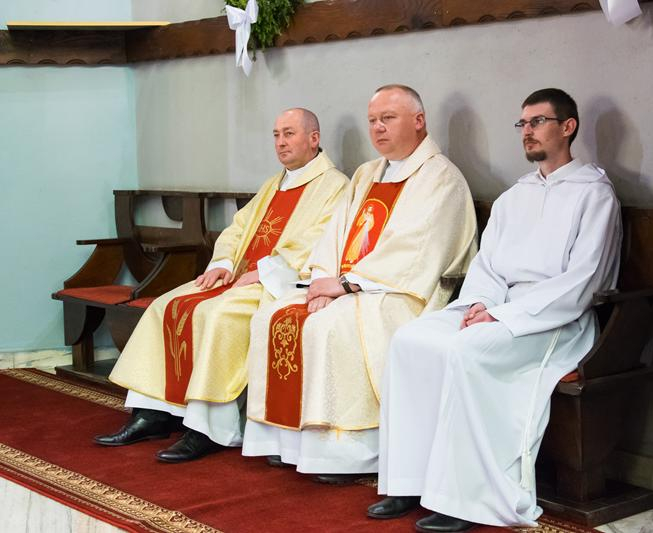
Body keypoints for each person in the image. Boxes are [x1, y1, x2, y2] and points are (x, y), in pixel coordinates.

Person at [369, 88, 622, 532]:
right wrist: (482, 302)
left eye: (538, 122)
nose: (527, 132)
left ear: (568, 127)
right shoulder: (514, 196)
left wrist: (503, 316)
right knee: (410, 340)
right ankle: (409, 480)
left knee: (467, 350)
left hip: (554, 320)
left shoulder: (594, 194)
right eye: (523, 123)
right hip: (497, 306)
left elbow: (584, 280)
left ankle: (464, 497)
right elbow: (487, 264)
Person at [242, 85, 477, 481]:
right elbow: (334, 233)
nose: (378, 128)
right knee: (273, 314)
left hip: (403, 293)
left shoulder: (441, 178)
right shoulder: (367, 174)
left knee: (330, 327)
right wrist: (322, 279)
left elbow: (418, 249)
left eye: (388, 118)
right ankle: (290, 442)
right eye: (372, 121)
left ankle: (346, 452)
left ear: (419, 121)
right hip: (350, 286)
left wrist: (348, 284)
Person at [94, 108, 349, 463]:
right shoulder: (275, 183)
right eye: (276, 135)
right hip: (238, 276)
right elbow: (238, 226)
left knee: (219, 317)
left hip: (277, 284)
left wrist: (266, 271)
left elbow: (321, 240)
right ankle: (152, 414)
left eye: (289, 134)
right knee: (165, 306)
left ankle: (209, 428)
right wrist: (223, 263)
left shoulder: (335, 186)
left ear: (314, 138)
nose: (280, 142)